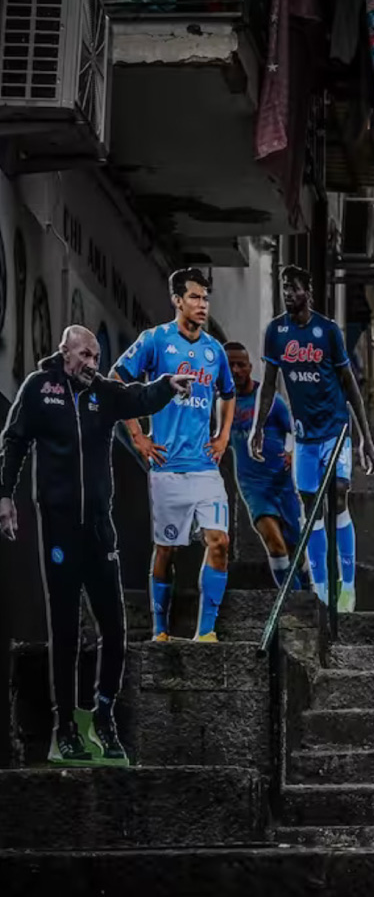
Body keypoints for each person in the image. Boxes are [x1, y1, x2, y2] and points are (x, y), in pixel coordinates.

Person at [0, 327, 192, 762]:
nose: (92, 362)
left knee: (115, 627)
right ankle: (64, 726)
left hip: (100, 529)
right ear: (65, 352)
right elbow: (14, 441)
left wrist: (167, 386)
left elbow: (137, 397)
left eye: (97, 356)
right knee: (65, 629)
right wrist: (5, 495)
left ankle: (102, 716)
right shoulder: (39, 388)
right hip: (60, 527)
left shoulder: (103, 393)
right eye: (85, 354)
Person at [114, 268, 236, 642]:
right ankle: (161, 629)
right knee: (166, 550)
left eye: (205, 298)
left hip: (204, 467)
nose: (202, 305)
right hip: (167, 467)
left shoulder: (215, 350)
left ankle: (206, 631)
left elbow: (228, 394)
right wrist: (138, 436)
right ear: (177, 300)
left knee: (220, 542)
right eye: (195, 297)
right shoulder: (155, 340)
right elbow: (118, 380)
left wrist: (223, 437)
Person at [250, 266, 374, 613]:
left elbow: (350, 383)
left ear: (308, 290)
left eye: (294, 288)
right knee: (310, 507)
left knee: (337, 494)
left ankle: (348, 586)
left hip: (336, 431)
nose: (288, 294)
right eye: (283, 288)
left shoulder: (328, 331)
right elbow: (269, 384)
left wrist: (365, 438)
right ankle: (322, 589)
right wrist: (258, 427)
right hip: (305, 436)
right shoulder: (276, 332)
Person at [226, 342, 310, 592]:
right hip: (253, 486)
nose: (235, 370)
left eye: (240, 364)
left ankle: (306, 592)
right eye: (229, 365)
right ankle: (293, 601)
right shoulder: (221, 404)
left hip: (281, 483)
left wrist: (291, 451)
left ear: (250, 367)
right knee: (274, 543)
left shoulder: (270, 400)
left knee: (295, 546)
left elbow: (293, 430)